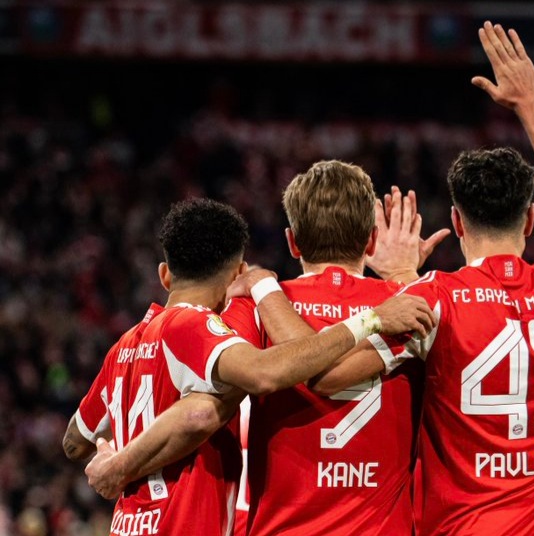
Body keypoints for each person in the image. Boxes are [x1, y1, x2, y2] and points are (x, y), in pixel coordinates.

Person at [62, 197, 436, 536]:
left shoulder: (124, 345)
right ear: (238, 272)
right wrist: (374, 314)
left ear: (164, 274)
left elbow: (74, 442)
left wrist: (113, 455)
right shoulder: (195, 326)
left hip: (128, 525)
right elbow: (245, 385)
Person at [370, 21, 534, 535]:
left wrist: (399, 273)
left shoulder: (433, 297)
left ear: (456, 222)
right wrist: (533, 105)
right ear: (531, 220)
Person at [224, 161, 449, 536]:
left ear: (292, 242)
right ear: (371, 242)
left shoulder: (257, 305)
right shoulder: (409, 307)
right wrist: (403, 277)